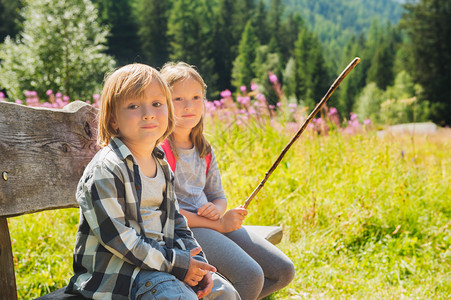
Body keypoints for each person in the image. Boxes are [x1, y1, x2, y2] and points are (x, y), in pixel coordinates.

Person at [65, 63, 240, 300]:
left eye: (157, 104)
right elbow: (121, 240)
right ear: (114, 120)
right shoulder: (106, 169)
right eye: (134, 106)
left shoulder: (160, 162)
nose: (148, 113)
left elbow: (177, 221)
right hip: (122, 276)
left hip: (163, 263)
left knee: (225, 294)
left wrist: (197, 263)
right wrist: (178, 264)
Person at [160, 62, 295, 300]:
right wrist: (219, 224)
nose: (189, 105)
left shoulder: (204, 148)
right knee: (251, 275)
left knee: (283, 271)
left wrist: (220, 210)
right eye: (178, 99)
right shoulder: (161, 150)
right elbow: (167, 213)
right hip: (184, 230)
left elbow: (218, 195)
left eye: (196, 97)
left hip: (210, 223)